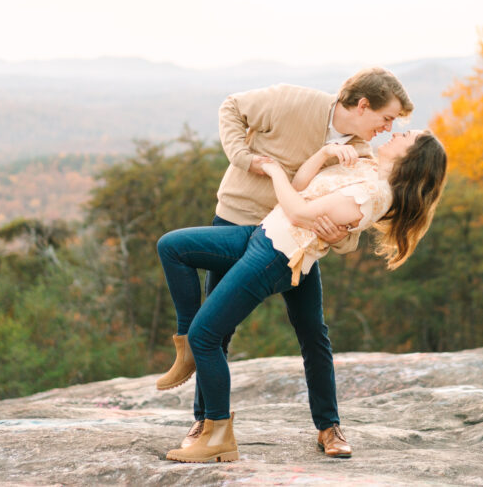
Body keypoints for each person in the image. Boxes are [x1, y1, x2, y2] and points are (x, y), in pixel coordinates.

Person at [155, 68, 413, 459]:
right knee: (216, 330)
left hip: (292, 245)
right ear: (363, 105)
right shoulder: (294, 101)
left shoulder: (362, 153)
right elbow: (232, 107)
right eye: (386, 117)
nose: (387, 128)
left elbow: (353, 220)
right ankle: (205, 420)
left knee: (313, 333)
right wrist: (246, 160)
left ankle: (328, 427)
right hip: (238, 221)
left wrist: (339, 238)